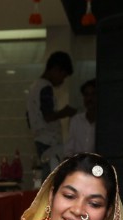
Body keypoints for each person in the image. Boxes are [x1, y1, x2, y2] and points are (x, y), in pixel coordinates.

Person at [25, 51, 77, 179]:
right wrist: (65, 112)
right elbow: (48, 116)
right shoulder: (45, 87)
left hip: (39, 139)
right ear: (55, 69)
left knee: (48, 174)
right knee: (53, 177)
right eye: (63, 76)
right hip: (49, 141)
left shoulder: (34, 87)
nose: (62, 81)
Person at [65, 79, 97, 157]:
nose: (89, 98)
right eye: (86, 95)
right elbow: (69, 149)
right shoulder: (76, 120)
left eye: (93, 94)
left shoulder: (105, 121)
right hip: (77, 165)